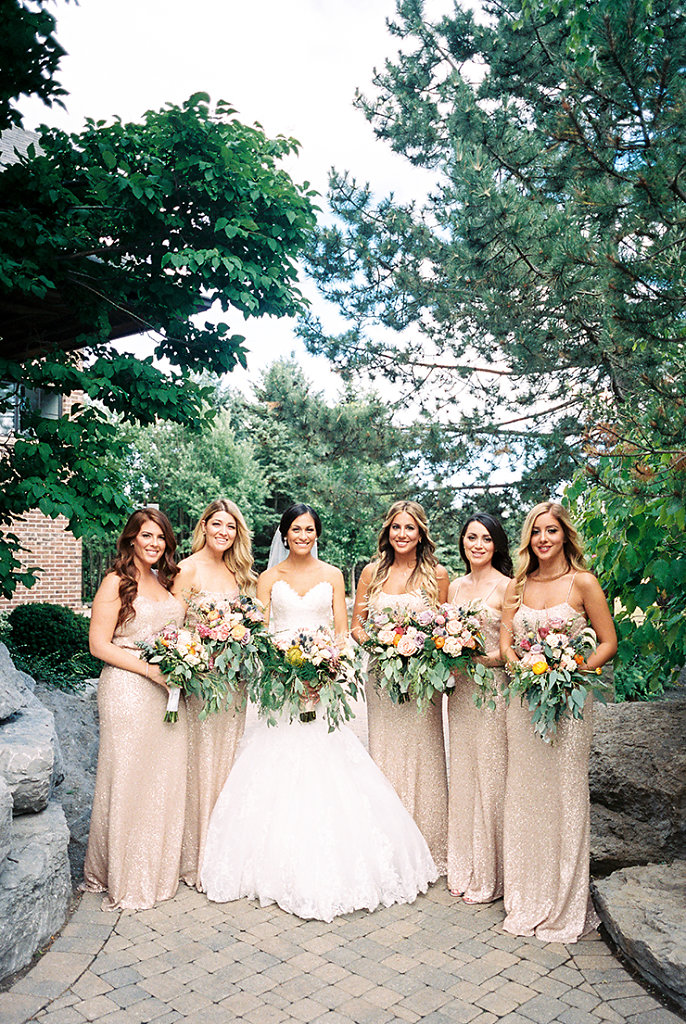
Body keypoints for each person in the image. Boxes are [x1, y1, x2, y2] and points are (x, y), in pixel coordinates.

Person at [201, 503, 438, 921]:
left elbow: (343, 633)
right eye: (296, 529)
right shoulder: (269, 579)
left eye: (310, 529)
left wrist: (326, 669)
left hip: (322, 683)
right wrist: (284, 671)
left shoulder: (332, 575)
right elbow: (259, 633)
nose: (304, 536)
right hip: (284, 686)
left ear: (317, 533)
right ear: (284, 534)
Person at [500, 501, 617, 942]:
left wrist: (574, 668)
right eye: (536, 532)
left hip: (570, 705)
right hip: (524, 703)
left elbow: (608, 642)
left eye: (551, 530)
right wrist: (523, 667)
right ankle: (527, 896)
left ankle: (565, 903)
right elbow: (507, 643)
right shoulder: (518, 585)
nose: (543, 539)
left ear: (565, 534)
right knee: (525, 797)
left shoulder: (583, 582)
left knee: (565, 795)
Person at [82, 508, 187, 911]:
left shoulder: (166, 581)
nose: (154, 543)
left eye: (160, 537)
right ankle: (122, 875)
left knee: (158, 779)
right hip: (127, 688)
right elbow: (99, 645)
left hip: (166, 691)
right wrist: (150, 671)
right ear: (131, 540)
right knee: (126, 777)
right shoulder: (116, 582)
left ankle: (153, 867)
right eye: (146, 536)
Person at [352, 500, 450, 872]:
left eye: (410, 528)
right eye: (396, 528)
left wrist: (417, 652)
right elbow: (357, 625)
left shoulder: (437, 574)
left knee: (424, 753)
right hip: (382, 677)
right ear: (387, 532)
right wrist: (382, 647)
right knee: (387, 753)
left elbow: (443, 627)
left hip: (423, 680)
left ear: (421, 532)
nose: (402, 535)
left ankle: (429, 845)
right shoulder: (372, 572)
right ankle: (389, 848)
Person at [173, 499, 257, 891]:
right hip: (201, 683)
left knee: (227, 763)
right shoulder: (187, 569)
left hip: (233, 683)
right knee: (200, 763)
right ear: (204, 525)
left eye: (231, 527)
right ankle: (196, 856)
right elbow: (173, 629)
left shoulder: (242, 575)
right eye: (217, 524)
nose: (223, 532)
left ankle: (224, 853)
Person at [447, 513, 512, 902]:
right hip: (460, 695)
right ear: (463, 542)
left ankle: (490, 873)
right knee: (465, 775)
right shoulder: (454, 587)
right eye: (471, 537)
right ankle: (464, 864)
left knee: (491, 775)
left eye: (486, 539)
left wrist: (475, 657)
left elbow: (508, 652)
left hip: (491, 693)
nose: (477, 545)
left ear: (497, 545)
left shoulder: (509, 587)